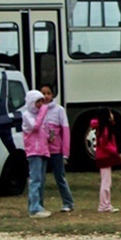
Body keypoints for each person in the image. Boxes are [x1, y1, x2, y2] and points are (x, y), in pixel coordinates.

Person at [39, 85, 74, 213]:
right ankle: (39, 205)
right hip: (42, 150)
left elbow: (65, 131)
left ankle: (68, 202)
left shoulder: (59, 110)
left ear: (53, 95)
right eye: (43, 93)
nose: (46, 96)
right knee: (40, 179)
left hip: (56, 151)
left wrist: (65, 152)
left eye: (48, 93)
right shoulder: (37, 109)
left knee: (60, 177)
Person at [22, 89, 53, 218]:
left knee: (41, 179)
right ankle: (34, 208)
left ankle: (38, 205)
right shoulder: (27, 115)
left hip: (43, 150)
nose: (40, 105)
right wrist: (43, 112)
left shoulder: (41, 115)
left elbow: (45, 130)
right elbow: (35, 127)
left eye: (41, 102)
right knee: (35, 179)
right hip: (33, 151)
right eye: (37, 102)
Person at [91, 110, 121, 213]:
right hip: (105, 157)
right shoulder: (105, 129)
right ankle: (104, 205)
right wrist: (114, 152)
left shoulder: (101, 128)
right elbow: (105, 144)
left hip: (102, 157)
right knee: (106, 182)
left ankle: (105, 204)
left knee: (106, 181)